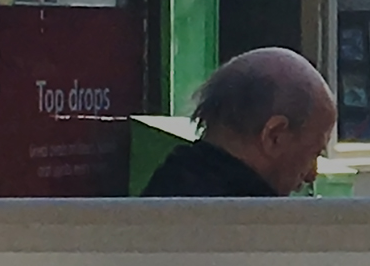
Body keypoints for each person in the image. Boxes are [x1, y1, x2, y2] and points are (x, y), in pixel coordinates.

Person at [141, 46, 337, 196]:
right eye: (314, 153)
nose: (312, 174)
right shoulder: (256, 226)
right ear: (274, 135)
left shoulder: (166, 189)